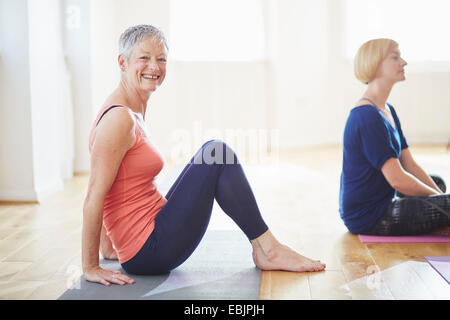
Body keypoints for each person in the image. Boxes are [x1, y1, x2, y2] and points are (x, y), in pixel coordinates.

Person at [82, 25, 326, 286]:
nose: (154, 66)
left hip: (150, 233)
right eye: (144, 58)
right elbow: (95, 193)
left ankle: (266, 248)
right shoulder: (119, 119)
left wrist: (110, 248)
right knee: (217, 153)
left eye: (161, 59)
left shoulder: (130, 111)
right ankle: (268, 249)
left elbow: (113, 188)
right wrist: (90, 266)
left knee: (212, 151)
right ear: (122, 61)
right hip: (150, 251)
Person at [339, 38, 450, 236]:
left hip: (385, 198)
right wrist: (443, 202)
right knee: (444, 200)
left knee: (438, 183)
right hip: (369, 217)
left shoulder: (387, 109)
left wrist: (441, 198)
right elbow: (398, 180)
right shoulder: (367, 116)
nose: (403, 62)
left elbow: (410, 165)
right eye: (395, 57)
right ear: (375, 64)